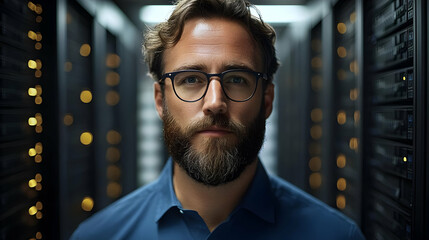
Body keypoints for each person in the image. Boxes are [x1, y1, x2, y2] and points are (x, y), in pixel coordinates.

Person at [71, 0, 365, 239]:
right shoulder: (99, 235)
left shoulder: (337, 235)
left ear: (266, 100)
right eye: (190, 79)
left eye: (237, 79)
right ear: (160, 100)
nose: (215, 103)